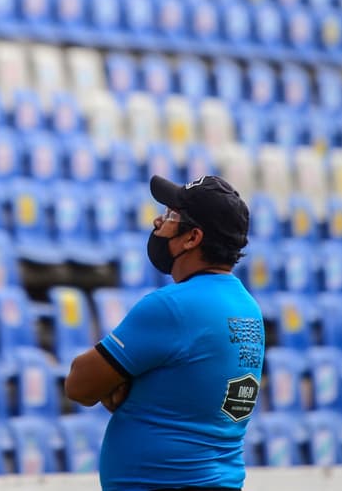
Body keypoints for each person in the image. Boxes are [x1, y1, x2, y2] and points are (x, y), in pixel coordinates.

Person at [65, 175, 263, 491]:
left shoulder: (173, 307)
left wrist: (115, 382)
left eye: (171, 216)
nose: (159, 221)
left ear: (192, 238)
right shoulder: (246, 307)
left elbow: (79, 384)